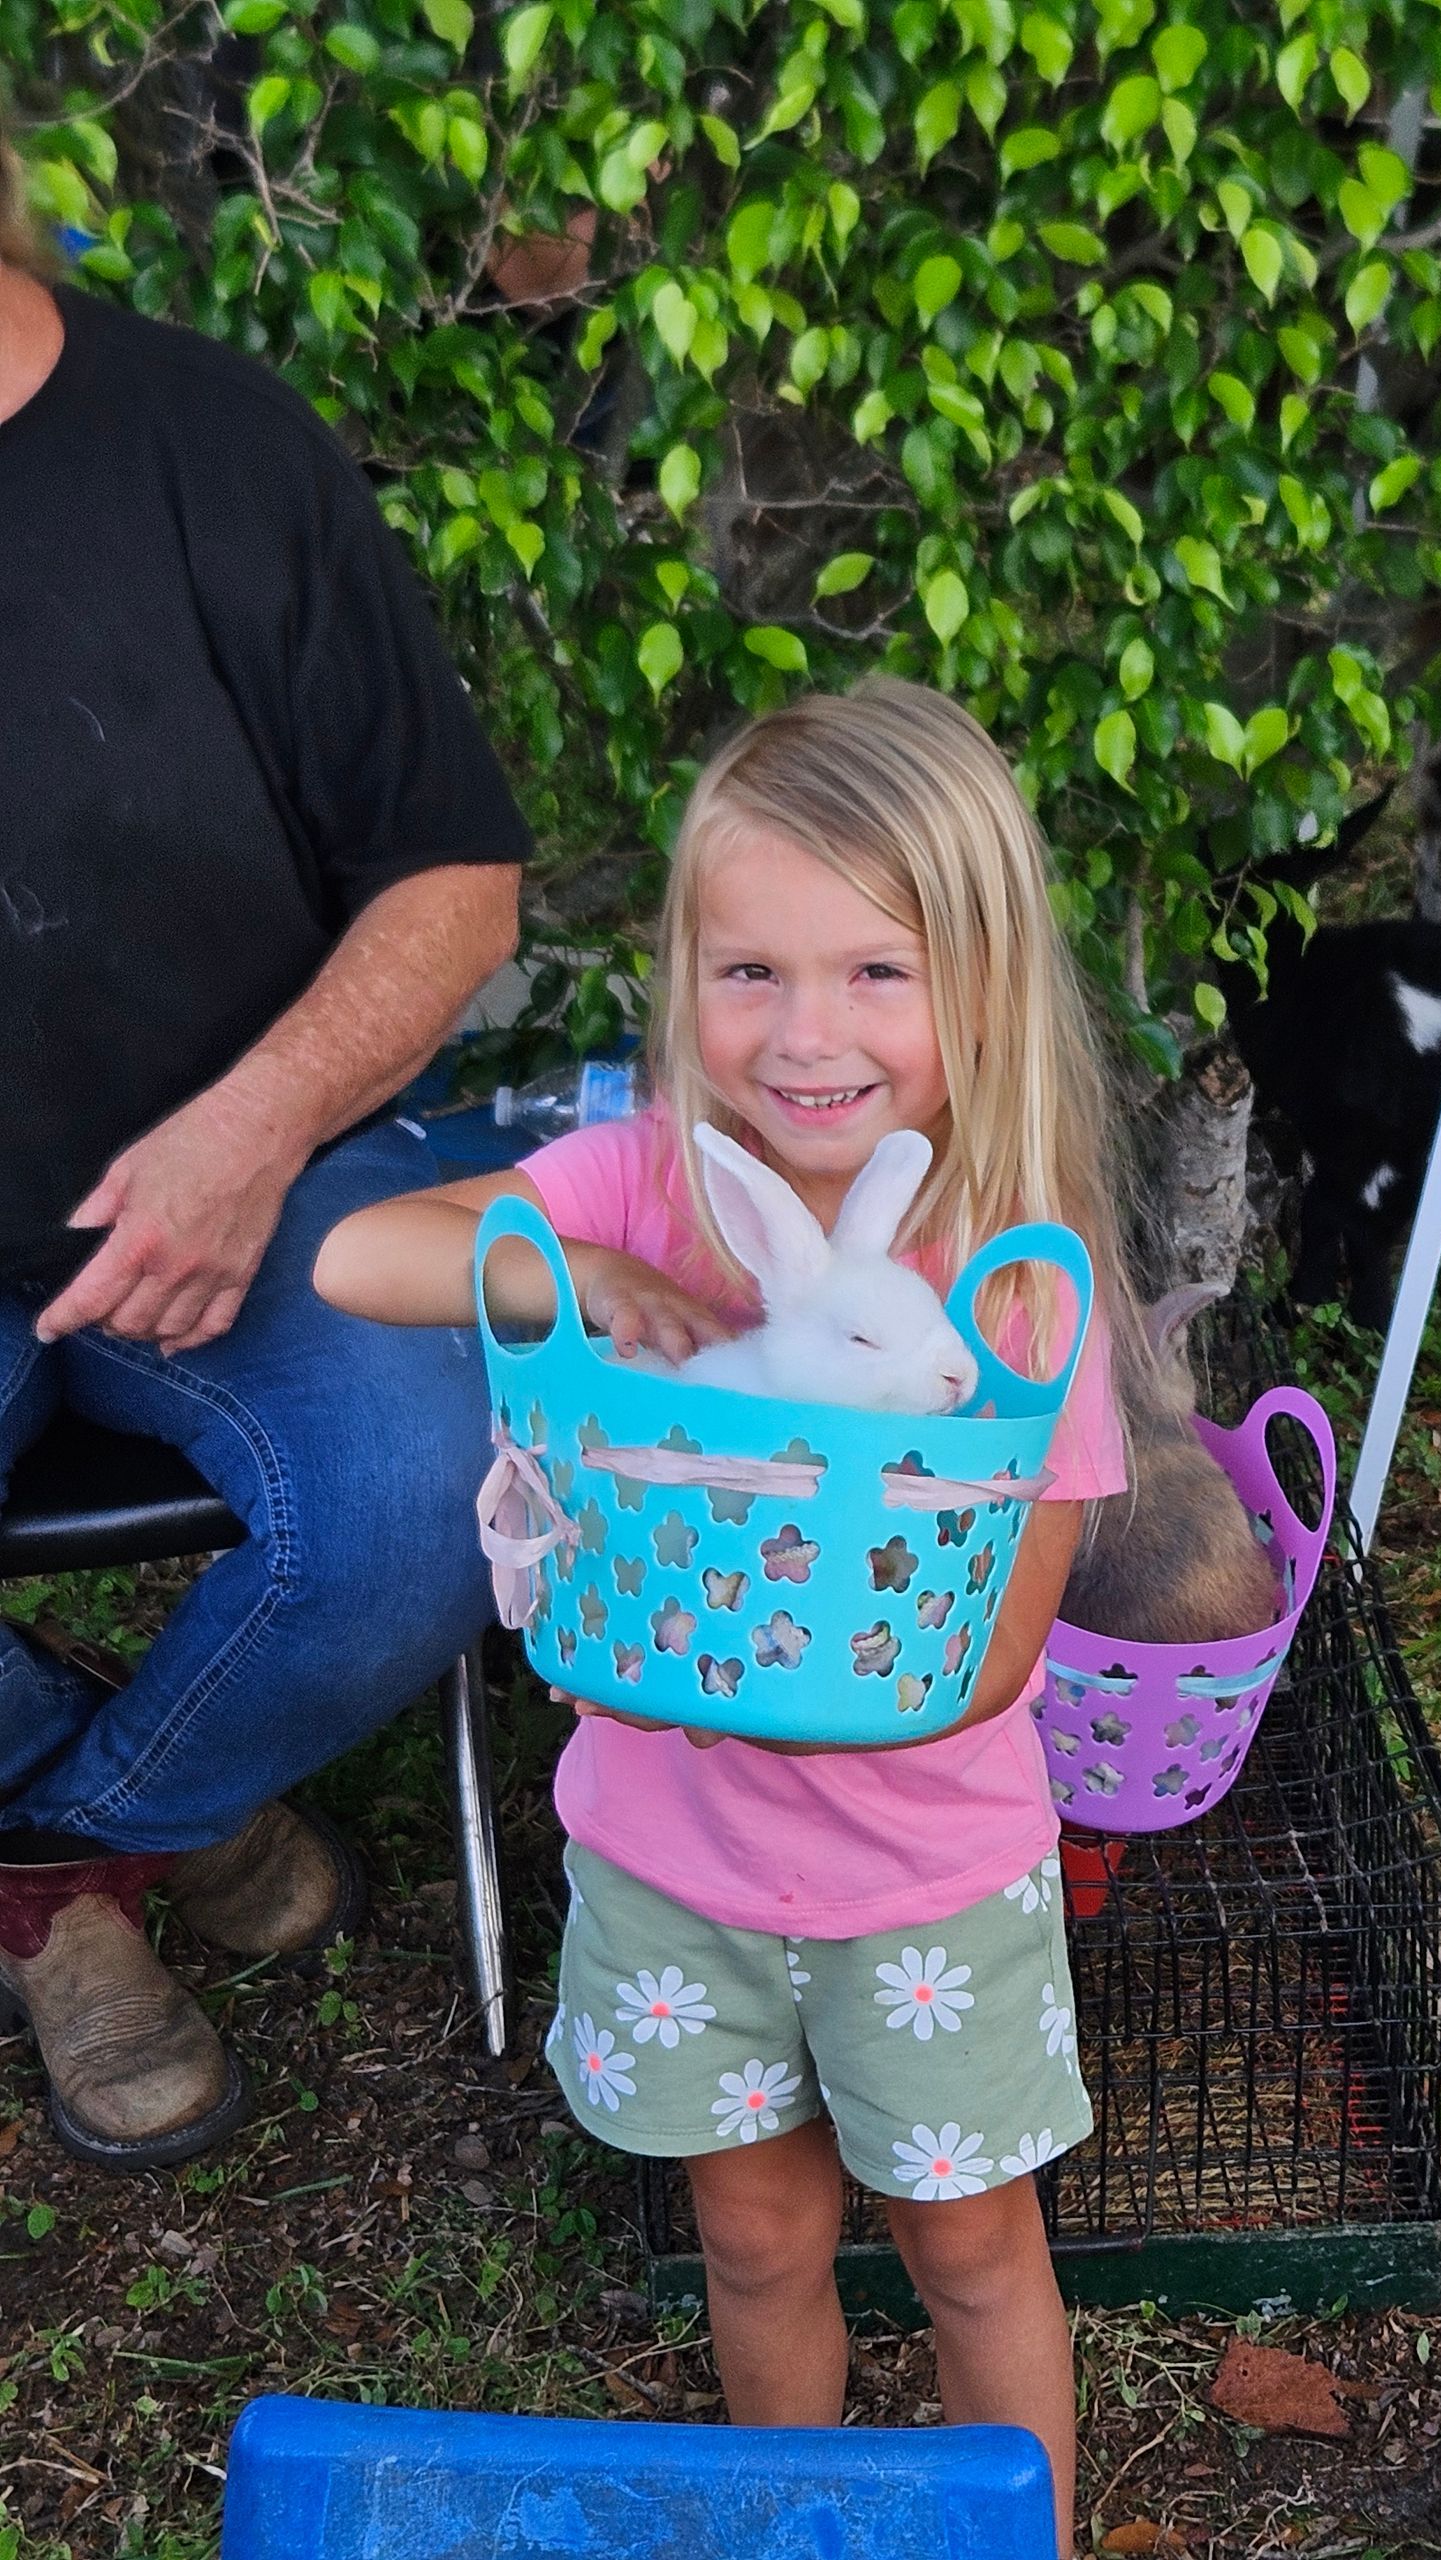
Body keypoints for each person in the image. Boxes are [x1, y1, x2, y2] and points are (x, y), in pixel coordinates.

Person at [316, 677, 1138, 2557]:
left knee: (971, 2251)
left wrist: (745, 1674)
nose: (806, 1033)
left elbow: (985, 1659)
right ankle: (800, 2525)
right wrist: (581, 1267)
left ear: (978, 987)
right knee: (755, 2238)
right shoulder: (644, 1189)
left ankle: (1020, 2541)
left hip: (924, 1887)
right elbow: (360, 1256)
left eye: (874, 971)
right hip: (675, 1861)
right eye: (748, 971)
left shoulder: (1008, 1305)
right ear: (680, 977)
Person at [0, 134, 527, 2169]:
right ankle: (122, 1816)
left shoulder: (210, 443)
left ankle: (74, 1837)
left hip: (258, 1177)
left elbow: (458, 880)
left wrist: (253, 1126)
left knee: (422, 1488)